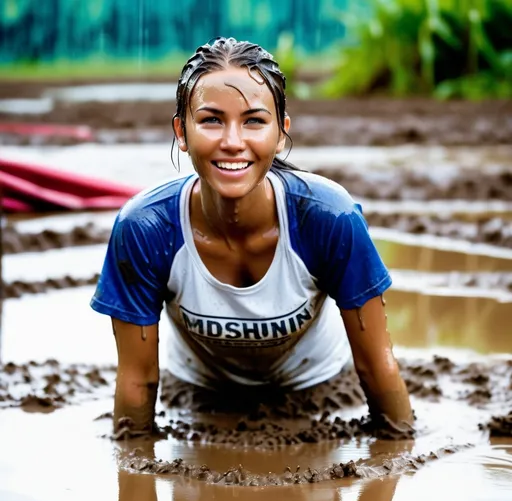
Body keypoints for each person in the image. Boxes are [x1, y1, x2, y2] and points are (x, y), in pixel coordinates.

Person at [90, 37, 413, 437]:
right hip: (196, 397)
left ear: (281, 133)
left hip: (320, 392)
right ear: (181, 131)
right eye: (211, 120)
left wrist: (400, 444)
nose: (232, 141)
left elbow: (377, 365)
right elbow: (137, 378)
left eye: (254, 121)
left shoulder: (329, 217)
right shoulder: (145, 228)